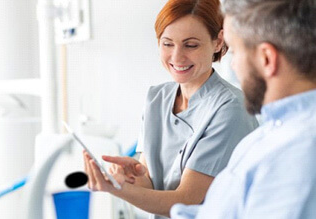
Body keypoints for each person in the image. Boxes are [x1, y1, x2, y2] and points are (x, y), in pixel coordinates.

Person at [83, 0, 258, 218]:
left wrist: (118, 189)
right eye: (167, 44)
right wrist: (136, 179)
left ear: (218, 41)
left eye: (190, 45)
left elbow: (186, 200)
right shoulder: (156, 98)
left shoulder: (230, 108)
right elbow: (150, 185)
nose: (177, 57)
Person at [170, 0, 316, 218]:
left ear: (267, 59)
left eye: (235, 52)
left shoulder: (298, 151)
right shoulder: (270, 135)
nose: (233, 65)